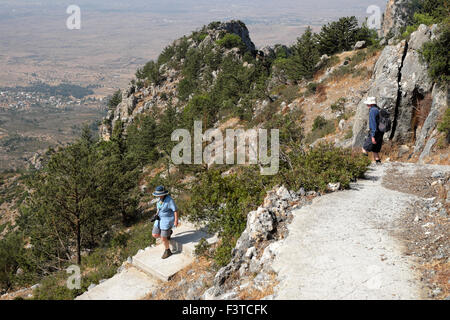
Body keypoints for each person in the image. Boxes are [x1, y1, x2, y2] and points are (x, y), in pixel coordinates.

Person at [151, 186, 179, 259]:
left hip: (167, 219)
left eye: (159, 194)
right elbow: (158, 208)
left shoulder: (169, 200)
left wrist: (176, 221)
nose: (158, 196)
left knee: (163, 238)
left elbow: (175, 210)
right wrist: (156, 215)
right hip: (159, 218)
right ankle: (168, 233)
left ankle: (167, 250)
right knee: (155, 234)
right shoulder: (159, 199)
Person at [362, 97, 384, 164]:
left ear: (370, 104)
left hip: (375, 132)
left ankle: (364, 163)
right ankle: (378, 162)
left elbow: (373, 124)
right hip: (380, 132)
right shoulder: (378, 109)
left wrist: (372, 136)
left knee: (364, 148)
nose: (367, 105)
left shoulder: (372, 111)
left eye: (367, 104)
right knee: (375, 149)